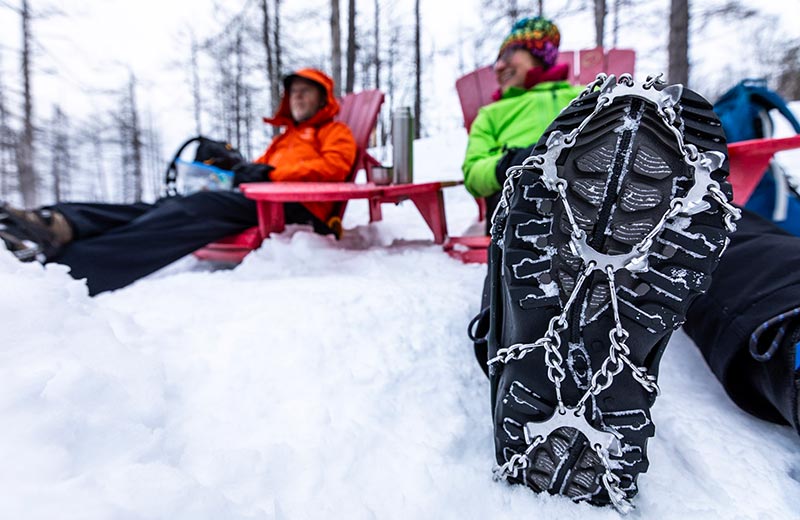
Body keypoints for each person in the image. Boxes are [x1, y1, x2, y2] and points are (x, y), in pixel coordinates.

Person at [464, 17, 799, 512]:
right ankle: (524, 337)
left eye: (511, 53)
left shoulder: (587, 97)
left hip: (660, 194)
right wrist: (513, 160)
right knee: (524, 249)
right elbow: (474, 174)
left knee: (710, 233)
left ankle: (790, 328)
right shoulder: (492, 115)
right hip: (536, 199)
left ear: (543, 56)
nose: (499, 64)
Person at [0, 68, 357, 295]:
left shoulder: (335, 132)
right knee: (166, 204)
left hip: (295, 208)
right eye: (293, 92)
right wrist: (245, 171)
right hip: (259, 200)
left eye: (305, 92)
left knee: (191, 209)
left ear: (323, 98)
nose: (296, 97)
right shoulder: (285, 138)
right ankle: (58, 223)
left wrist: (271, 174)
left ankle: (74, 268)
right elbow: (261, 170)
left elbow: (335, 168)